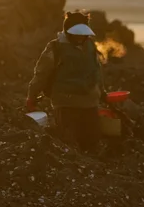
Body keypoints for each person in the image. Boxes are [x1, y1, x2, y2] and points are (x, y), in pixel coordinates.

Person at [26, 11, 106, 151]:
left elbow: (96, 71)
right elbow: (41, 75)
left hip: (90, 102)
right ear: (68, 32)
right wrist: (31, 97)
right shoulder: (55, 48)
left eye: (82, 35)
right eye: (77, 35)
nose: (80, 38)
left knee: (91, 142)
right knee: (69, 143)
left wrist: (102, 92)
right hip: (66, 104)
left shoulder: (90, 46)